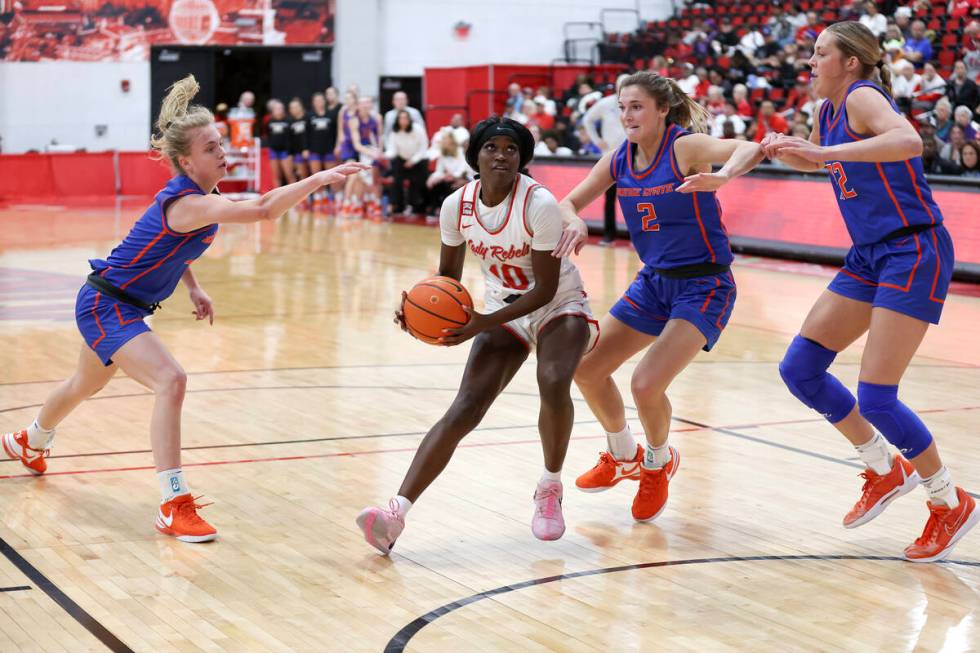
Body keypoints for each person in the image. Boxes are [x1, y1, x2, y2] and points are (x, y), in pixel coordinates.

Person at [1, 76, 364, 543]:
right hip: (106, 305)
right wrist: (319, 178)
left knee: (82, 385)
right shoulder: (190, 203)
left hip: (118, 303)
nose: (222, 151)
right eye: (212, 147)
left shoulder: (201, 202)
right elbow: (264, 210)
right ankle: (173, 503)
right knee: (171, 380)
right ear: (186, 161)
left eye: (220, 143)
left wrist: (194, 287)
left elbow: (176, 252)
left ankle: (30, 441)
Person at [763, 21, 977, 563]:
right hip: (868, 254)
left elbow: (907, 140)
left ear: (850, 61)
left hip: (912, 249)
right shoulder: (826, 111)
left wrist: (823, 154)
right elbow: (835, 167)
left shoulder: (861, 97)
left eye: (819, 54)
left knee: (878, 394)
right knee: (800, 368)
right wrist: (792, 152)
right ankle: (884, 468)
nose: (810, 62)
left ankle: (948, 500)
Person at [356, 118, 598, 554]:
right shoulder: (457, 206)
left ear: (522, 159)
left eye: (511, 148)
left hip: (559, 303)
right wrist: (417, 310)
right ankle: (395, 513)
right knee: (465, 406)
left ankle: (549, 487)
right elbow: (448, 277)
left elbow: (542, 289)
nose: (501, 155)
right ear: (476, 156)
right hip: (502, 306)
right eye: (492, 147)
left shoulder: (538, 204)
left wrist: (480, 322)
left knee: (554, 379)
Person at [552, 71, 764, 523]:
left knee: (646, 383)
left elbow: (750, 147)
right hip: (655, 281)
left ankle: (657, 461)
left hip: (704, 284)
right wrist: (573, 219)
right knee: (586, 369)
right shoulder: (618, 160)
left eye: (637, 106)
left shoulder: (684, 147)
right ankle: (622, 454)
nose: (627, 115)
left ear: (662, 110)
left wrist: (722, 177)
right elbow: (566, 202)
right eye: (622, 107)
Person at [583, 74, 629, 246]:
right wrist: (597, 141)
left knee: (634, 198)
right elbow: (587, 119)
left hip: (634, 158)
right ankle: (609, 235)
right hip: (610, 158)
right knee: (610, 198)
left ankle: (636, 236)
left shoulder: (637, 104)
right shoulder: (606, 104)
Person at [384, 109, 429, 214]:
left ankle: (418, 207)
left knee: (418, 182)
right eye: (401, 118)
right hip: (402, 159)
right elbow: (393, 150)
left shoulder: (418, 129)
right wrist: (384, 155)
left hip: (418, 159)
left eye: (405, 118)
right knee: (396, 181)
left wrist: (413, 160)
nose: (403, 120)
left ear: (409, 119)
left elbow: (423, 147)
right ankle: (396, 207)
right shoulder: (394, 132)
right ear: (397, 120)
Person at [265, 100, 292, 187]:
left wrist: (290, 151)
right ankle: (277, 197)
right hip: (274, 151)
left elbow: (292, 137)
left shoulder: (288, 121)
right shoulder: (270, 121)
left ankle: (295, 197)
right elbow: (268, 135)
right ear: (272, 110)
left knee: (289, 175)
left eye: (280, 108)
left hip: (285, 151)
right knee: (276, 176)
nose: (279, 110)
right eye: (276, 108)